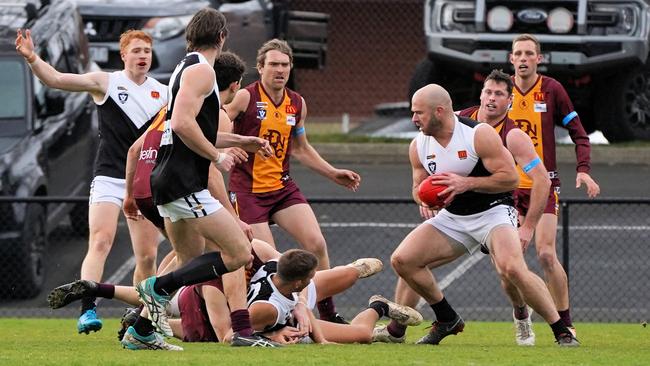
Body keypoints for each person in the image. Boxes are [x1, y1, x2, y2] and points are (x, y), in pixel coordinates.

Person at [388, 84, 579, 346]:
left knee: (512, 269)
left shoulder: (478, 134)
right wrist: (425, 200)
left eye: (418, 112)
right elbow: (417, 186)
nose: (413, 119)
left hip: (494, 213)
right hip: (454, 218)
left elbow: (510, 179)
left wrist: (465, 183)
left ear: (439, 112)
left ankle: (562, 331)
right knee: (403, 260)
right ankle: (446, 319)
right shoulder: (418, 145)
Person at [126, 8, 272, 350]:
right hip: (183, 181)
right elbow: (180, 124)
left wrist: (240, 141)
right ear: (222, 37)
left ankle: (141, 332)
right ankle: (157, 289)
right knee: (238, 253)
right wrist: (217, 156)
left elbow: (194, 129)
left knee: (190, 262)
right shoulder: (203, 71)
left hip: (168, 180)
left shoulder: (184, 66)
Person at [15, 29, 167, 334]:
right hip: (109, 177)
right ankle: (87, 309)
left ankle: (140, 317)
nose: (142, 56)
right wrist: (32, 58)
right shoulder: (106, 82)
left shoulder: (164, 93)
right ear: (123, 55)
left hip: (144, 182)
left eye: (147, 51)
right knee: (100, 240)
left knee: (148, 256)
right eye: (136, 51)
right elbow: (56, 79)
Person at [224, 39, 361, 323]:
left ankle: (325, 313)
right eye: (273, 64)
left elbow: (301, 148)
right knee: (270, 259)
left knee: (316, 244)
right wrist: (225, 149)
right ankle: (271, 316)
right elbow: (217, 125)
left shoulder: (296, 103)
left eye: (285, 65)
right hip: (248, 192)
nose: (280, 70)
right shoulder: (245, 98)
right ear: (260, 67)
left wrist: (332, 172)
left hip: (282, 189)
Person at [508, 34, 600, 336]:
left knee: (546, 254)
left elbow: (580, 134)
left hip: (542, 185)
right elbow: (472, 122)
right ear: (511, 59)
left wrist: (583, 170)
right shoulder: (500, 91)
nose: (523, 58)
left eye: (528, 54)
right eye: (518, 53)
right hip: (507, 188)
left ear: (539, 58)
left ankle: (566, 324)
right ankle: (522, 315)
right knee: (510, 264)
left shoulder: (551, 90)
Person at [457, 69, 551, 345]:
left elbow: (542, 180)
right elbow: (429, 150)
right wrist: (427, 194)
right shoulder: (459, 120)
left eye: (499, 94)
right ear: (481, 94)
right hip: (459, 209)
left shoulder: (513, 136)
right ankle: (397, 330)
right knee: (409, 260)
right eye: (488, 92)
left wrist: (528, 227)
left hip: (496, 208)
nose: (492, 98)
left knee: (507, 273)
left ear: (509, 101)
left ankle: (526, 317)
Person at [246, 249, 422, 344]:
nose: (313, 277)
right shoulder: (266, 308)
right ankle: (380, 306)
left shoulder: (276, 264)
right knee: (362, 334)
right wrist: (272, 335)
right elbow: (233, 334)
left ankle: (350, 270)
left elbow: (253, 242)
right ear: (299, 282)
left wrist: (301, 302)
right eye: (310, 276)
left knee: (349, 276)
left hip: (294, 298)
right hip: (291, 323)